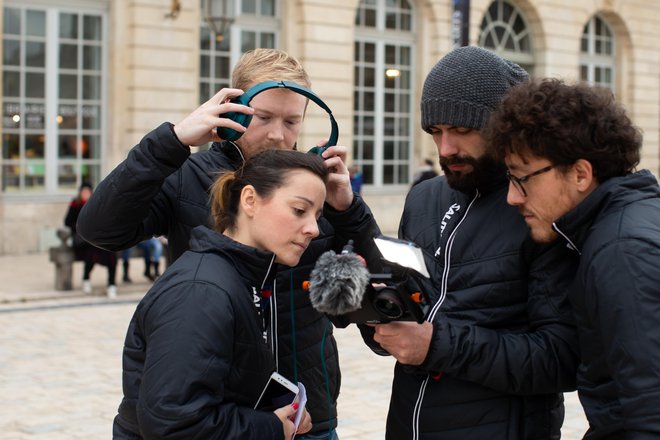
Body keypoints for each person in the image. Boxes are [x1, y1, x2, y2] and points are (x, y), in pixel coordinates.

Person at [77, 48, 380, 439]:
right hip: (220, 412)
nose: (277, 134)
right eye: (264, 117)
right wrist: (171, 142)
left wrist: (347, 210)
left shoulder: (311, 190)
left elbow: (374, 284)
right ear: (234, 110)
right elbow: (101, 229)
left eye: (291, 121)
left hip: (307, 415)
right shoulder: (189, 175)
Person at [359, 46, 579, 439]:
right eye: (436, 131)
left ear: (503, 127)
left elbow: (561, 358)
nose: (445, 149)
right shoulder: (424, 198)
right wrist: (375, 313)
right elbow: (410, 315)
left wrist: (437, 345)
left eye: (462, 131)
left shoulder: (541, 206)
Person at [485, 78, 660, 439]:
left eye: (522, 179)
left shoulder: (620, 251)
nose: (512, 198)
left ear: (580, 174)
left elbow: (650, 412)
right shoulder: (626, 223)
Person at [113, 149, 321, 439]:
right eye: (300, 210)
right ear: (250, 200)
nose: (313, 228)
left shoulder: (241, 277)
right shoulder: (201, 292)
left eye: (317, 215)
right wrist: (271, 427)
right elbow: (175, 424)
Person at [64, 182, 118, 298]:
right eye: (83, 192)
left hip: (94, 239)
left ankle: (111, 284)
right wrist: (82, 227)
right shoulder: (75, 204)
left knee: (110, 252)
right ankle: (86, 279)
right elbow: (67, 222)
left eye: (88, 192)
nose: (85, 194)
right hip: (81, 240)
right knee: (92, 250)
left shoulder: (95, 205)